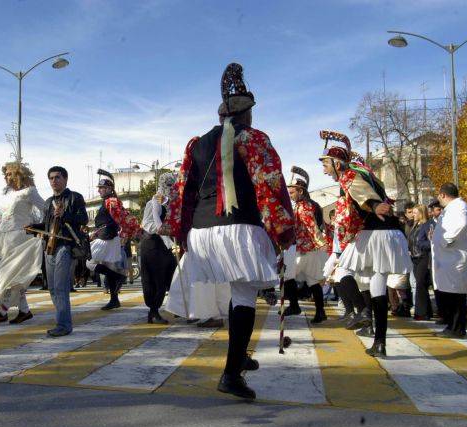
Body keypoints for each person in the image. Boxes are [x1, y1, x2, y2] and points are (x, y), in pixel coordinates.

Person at [164, 63, 295, 399]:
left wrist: (180, 232)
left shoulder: (195, 144)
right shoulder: (253, 138)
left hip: (202, 230)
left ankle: (238, 356)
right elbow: (270, 186)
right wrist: (282, 231)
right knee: (243, 297)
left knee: (234, 294)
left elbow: (182, 191)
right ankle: (231, 374)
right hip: (240, 229)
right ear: (247, 113)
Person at [320, 130, 411, 358]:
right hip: (383, 233)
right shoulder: (363, 173)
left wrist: (373, 205)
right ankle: (379, 341)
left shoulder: (349, 175)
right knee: (376, 284)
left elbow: (363, 193)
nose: (324, 170)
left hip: (375, 233)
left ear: (337, 163)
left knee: (342, 270)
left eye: (326, 165)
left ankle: (362, 311)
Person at [27, 166, 88, 337]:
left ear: (66, 179)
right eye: (51, 178)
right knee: (52, 288)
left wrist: (65, 215)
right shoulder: (47, 202)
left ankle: (63, 325)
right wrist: (31, 227)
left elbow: (83, 219)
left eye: (58, 177)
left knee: (60, 287)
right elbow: (46, 224)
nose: (54, 181)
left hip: (65, 245)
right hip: (49, 247)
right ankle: (62, 321)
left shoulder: (75, 197)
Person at [0, 161, 45, 324]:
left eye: (10, 173)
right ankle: (24, 311)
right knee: (15, 276)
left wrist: (38, 226)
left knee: (6, 275)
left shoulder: (29, 191)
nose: (6, 177)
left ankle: (1, 311)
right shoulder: (9, 195)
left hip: (20, 239)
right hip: (5, 239)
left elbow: (46, 208)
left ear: (19, 174)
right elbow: (6, 217)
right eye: (5, 174)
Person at [86, 169, 141, 310]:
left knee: (89, 261)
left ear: (109, 189)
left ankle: (118, 277)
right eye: (99, 188)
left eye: (102, 188)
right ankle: (114, 299)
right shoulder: (108, 201)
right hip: (107, 237)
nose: (99, 191)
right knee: (106, 268)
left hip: (108, 239)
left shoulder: (111, 201)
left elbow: (121, 218)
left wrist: (128, 232)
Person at [284, 166, 328, 323]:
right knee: (313, 281)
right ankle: (320, 312)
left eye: (292, 193)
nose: (290, 196)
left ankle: (295, 305)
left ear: (301, 191)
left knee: (287, 274)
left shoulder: (305, 206)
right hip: (308, 249)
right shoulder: (306, 205)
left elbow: (312, 226)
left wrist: (320, 243)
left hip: (305, 250)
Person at [431, 183, 467, 338]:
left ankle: (456, 328)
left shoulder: (459, 206)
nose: (438, 198)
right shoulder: (452, 208)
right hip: (448, 259)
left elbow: (460, 224)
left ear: (443, 195)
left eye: (438, 195)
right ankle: (452, 326)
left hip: (455, 258)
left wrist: (445, 241)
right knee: (449, 294)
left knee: (455, 295)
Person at [139, 172, 178, 323]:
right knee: (157, 279)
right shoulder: (155, 201)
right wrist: (171, 238)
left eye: (172, 184)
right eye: (168, 185)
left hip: (163, 244)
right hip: (152, 244)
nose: (170, 187)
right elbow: (157, 226)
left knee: (173, 275)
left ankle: (178, 307)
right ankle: (153, 312)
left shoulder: (168, 201)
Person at [408, 204, 434, 320]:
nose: (413, 214)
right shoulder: (415, 226)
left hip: (424, 257)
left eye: (415, 212)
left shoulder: (428, 225)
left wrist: (421, 245)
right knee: (420, 284)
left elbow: (431, 242)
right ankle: (427, 311)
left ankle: (421, 313)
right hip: (414, 258)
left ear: (421, 213)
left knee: (420, 283)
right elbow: (412, 240)